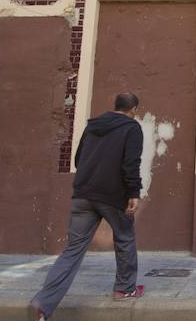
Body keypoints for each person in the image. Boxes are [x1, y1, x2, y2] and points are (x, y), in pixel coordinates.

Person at [28, 93, 145, 321]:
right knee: (124, 237)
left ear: (116, 106)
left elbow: (79, 159)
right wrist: (133, 193)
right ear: (133, 110)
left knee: (73, 250)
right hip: (113, 196)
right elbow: (131, 163)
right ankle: (124, 289)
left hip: (83, 194)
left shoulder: (92, 126)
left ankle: (44, 302)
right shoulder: (132, 128)